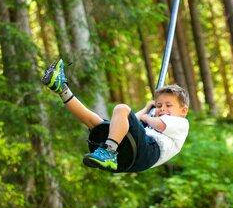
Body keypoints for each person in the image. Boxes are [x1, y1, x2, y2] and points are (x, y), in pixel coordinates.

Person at [42, 59, 190, 172]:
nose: (162, 109)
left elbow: (159, 124)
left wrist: (147, 117)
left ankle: (109, 151)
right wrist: (146, 109)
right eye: (158, 105)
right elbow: (132, 120)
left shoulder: (180, 123)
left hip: (149, 152)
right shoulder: (153, 118)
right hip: (132, 156)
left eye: (168, 105)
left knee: (122, 108)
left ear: (183, 110)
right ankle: (62, 88)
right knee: (97, 123)